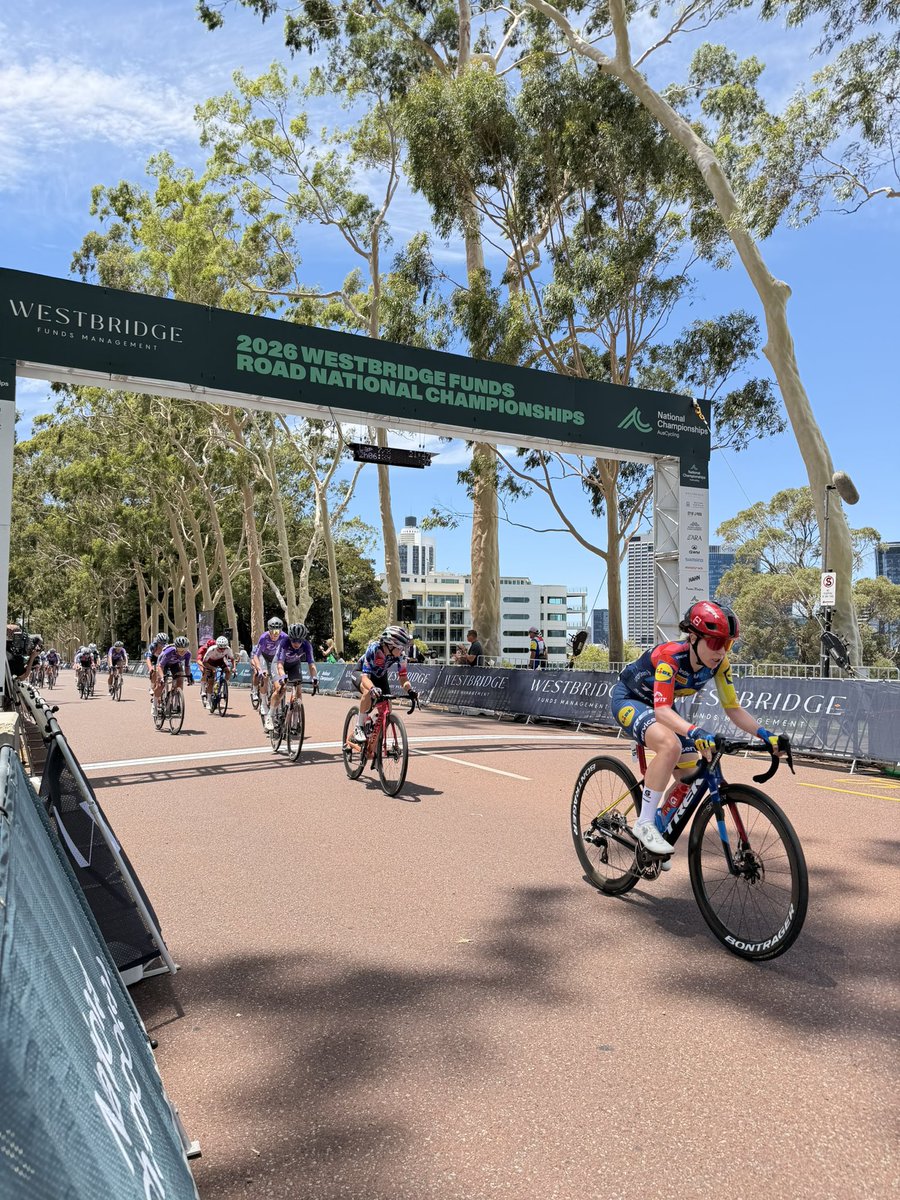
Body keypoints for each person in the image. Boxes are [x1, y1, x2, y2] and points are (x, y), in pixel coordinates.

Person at [610, 600, 784, 865]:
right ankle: (644, 824)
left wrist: (765, 734)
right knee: (670, 746)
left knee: (690, 775)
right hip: (630, 699)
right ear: (693, 637)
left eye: (727, 644)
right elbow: (662, 712)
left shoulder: (719, 665)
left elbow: (733, 708)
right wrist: (696, 731)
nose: (721, 651)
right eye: (715, 643)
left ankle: (659, 826)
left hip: (662, 705)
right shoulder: (671, 658)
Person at [347, 625, 418, 744]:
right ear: (390, 645)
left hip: (380, 676)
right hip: (362, 673)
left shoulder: (401, 656)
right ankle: (359, 726)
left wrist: (410, 690)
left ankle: (373, 725)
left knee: (387, 709)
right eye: (400, 647)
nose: (402, 651)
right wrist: (372, 688)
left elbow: (403, 678)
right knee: (368, 692)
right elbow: (365, 678)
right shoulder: (374, 649)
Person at [273, 623, 319, 713]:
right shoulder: (284, 642)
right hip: (281, 663)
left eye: (299, 641)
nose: (296, 643)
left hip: (294, 664)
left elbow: (311, 665)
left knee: (298, 691)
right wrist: (283, 676)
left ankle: (296, 716)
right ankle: (273, 712)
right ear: (290, 638)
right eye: (294, 640)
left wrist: (314, 677)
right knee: (280, 689)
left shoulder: (307, 645)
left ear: (303, 640)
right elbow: (280, 664)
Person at [252, 616, 286, 730]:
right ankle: (263, 703)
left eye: (278, 631)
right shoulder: (264, 637)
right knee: (265, 675)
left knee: (280, 683)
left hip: (276, 659)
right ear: (269, 630)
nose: (275, 634)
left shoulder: (285, 637)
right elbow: (256, 655)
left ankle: (276, 705)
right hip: (264, 657)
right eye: (273, 631)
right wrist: (260, 669)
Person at [155, 635, 193, 701]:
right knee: (160, 685)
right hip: (164, 664)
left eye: (185, 649)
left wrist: (189, 676)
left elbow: (187, 666)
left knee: (180, 680)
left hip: (175, 664)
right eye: (180, 650)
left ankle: (176, 700)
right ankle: (155, 702)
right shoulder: (169, 652)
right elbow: (160, 666)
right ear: (176, 648)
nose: (183, 652)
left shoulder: (188, 654)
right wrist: (162, 677)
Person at [200, 635, 235, 705]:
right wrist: (212, 668)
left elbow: (232, 659)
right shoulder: (211, 649)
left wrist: (234, 667)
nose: (222, 650)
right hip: (210, 662)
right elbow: (204, 662)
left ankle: (223, 685)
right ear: (217, 646)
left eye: (223, 648)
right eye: (220, 648)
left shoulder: (228, 649)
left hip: (220, 661)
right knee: (211, 681)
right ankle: (208, 701)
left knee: (228, 671)